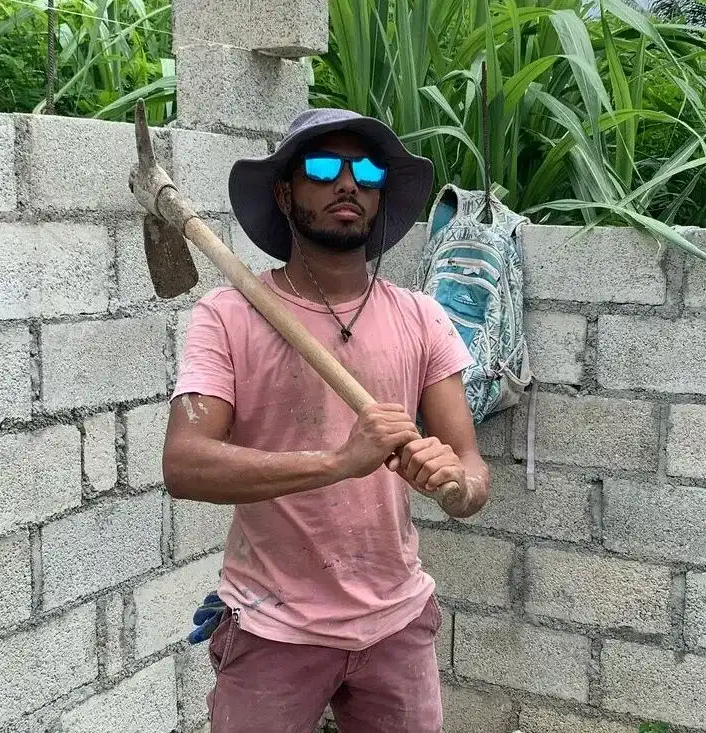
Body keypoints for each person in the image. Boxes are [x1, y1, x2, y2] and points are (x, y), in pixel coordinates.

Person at [162, 108, 490, 733]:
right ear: (286, 193)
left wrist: (459, 486)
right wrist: (338, 463)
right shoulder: (229, 315)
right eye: (322, 167)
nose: (348, 183)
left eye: (365, 171)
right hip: (272, 624)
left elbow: (471, 469)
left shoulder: (422, 318)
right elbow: (184, 464)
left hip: (398, 623)